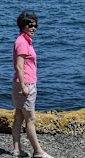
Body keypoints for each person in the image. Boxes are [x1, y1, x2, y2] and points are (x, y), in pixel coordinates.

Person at [11, 11, 54, 158]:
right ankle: (38, 151)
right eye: (30, 25)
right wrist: (24, 86)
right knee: (31, 119)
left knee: (18, 117)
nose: (34, 28)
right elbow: (19, 66)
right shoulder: (22, 42)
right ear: (23, 26)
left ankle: (17, 150)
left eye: (36, 26)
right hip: (25, 84)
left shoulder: (24, 40)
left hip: (22, 83)